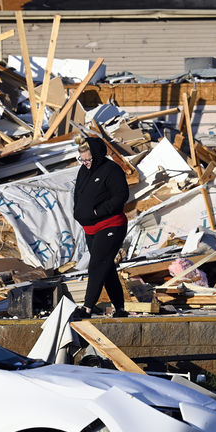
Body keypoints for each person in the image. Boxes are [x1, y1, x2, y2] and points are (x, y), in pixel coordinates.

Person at [72, 136, 129, 318]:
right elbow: (78, 195)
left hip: (111, 224)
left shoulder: (111, 170)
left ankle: (87, 307)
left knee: (97, 264)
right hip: (90, 228)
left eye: (88, 159)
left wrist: (98, 212)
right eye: (82, 159)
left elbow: (121, 196)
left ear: (96, 155)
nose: (86, 163)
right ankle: (120, 308)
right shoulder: (83, 171)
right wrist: (79, 212)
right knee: (106, 267)